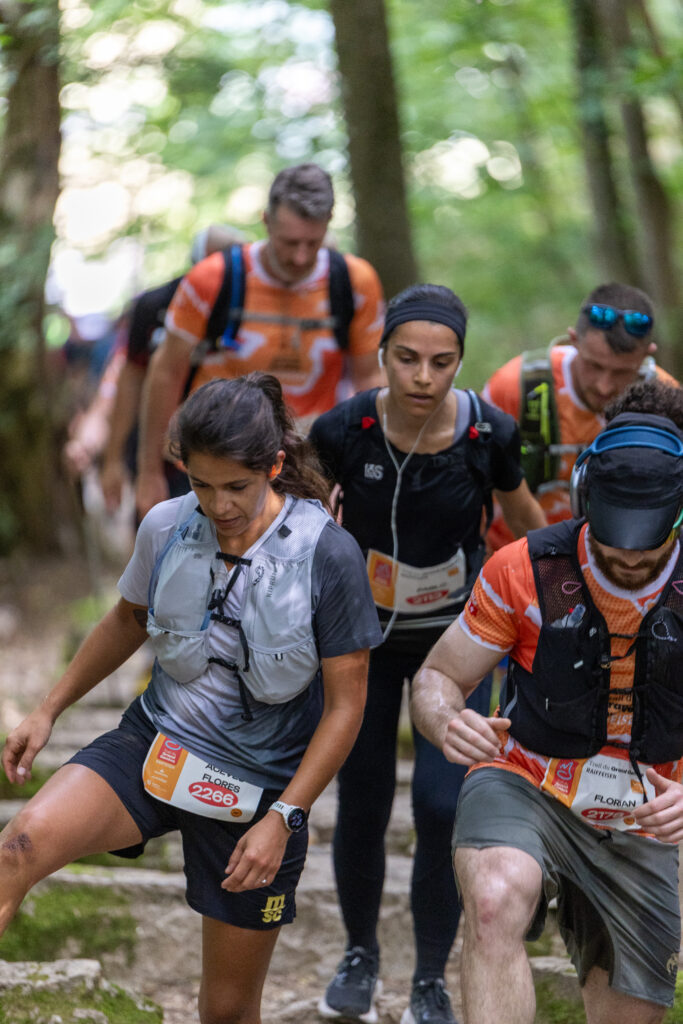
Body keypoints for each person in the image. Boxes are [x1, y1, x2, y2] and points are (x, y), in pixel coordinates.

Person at [0, 373, 383, 1024]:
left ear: (274, 465)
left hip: (258, 793)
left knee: (227, 1011)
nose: (219, 504)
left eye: (236, 486)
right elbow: (127, 618)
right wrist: (48, 708)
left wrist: (285, 816)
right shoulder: (166, 525)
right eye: (200, 485)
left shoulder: (328, 554)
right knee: (19, 848)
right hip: (155, 747)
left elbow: (346, 706)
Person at [309, 284, 546, 1024]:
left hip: (456, 645)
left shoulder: (489, 433)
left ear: (458, 364)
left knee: (444, 805)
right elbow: (299, 522)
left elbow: (528, 529)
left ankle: (430, 979)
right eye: (405, 359)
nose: (421, 377)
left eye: (440, 363)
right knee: (364, 796)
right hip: (365, 640)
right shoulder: (343, 429)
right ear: (380, 355)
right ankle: (359, 954)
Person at [411, 410, 683, 1024]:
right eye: (616, 543)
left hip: (648, 806)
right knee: (493, 896)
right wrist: (448, 720)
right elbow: (437, 677)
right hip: (526, 775)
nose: (632, 560)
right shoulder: (524, 568)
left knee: (627, 1008)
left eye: (651, 544)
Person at [135, 162, 385, 521]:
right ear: (266, 221)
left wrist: (363, 469)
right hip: (215, 464)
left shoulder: (354, 282)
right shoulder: (213, 279)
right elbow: (165, 372)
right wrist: (149, 473)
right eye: (289, 242)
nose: (300, 257)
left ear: (329, 222)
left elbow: (370, 383)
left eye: (312, 244)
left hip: (308, 465)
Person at [483, 281, 678, 551]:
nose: (604, 386)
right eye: (594, 365)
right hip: (511, 558)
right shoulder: (516, 387)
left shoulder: (664, 402)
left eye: (622, 372)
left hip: (614, 563)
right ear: (573, 341)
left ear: (647, 355)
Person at [99, 224, 245, 513]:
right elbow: (130, 379)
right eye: (214, 262)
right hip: (164, 449)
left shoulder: (251, 311)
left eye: (232, 262)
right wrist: (113, 459)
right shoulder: (154, 305)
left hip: (233, 447)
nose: (222, 270)